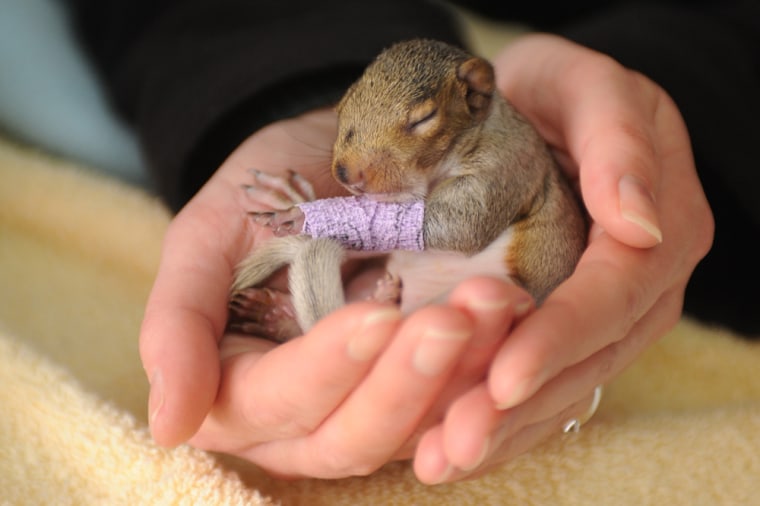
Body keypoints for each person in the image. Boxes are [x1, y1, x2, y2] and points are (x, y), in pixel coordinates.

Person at [61, 0, 756, 483]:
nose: (352, 167)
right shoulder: (420, 147)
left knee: (436, 332)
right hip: (416, 273)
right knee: (363, 324)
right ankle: (314, 311)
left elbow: (449, 229)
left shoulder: (505, 156)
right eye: (349, 123)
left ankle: (323, 309)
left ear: (475, 99)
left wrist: (323, 220)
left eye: (418, 123)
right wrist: (290, 96)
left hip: (488, 277)